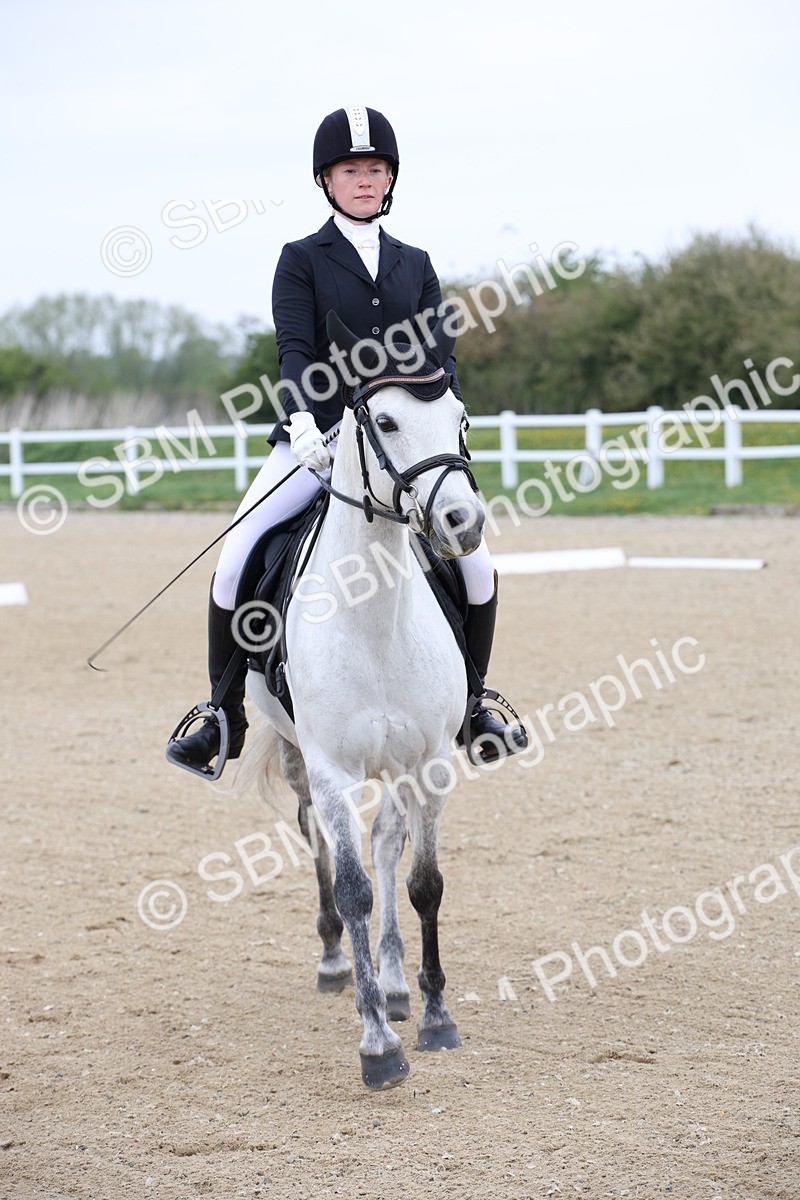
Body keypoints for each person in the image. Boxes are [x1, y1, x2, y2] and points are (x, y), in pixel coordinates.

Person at [167, 105, 527, 775]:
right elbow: (296, 349)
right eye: (350, 170)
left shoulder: (415, 263)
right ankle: (223, 715)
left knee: (476, 564)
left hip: (398, 446)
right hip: (319, 440)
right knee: (235, 556)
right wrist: (302, 419)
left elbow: (437, 355)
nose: (365, 180)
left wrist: (438, 414)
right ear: (326, 180)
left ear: (391, 179)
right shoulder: (301, 259)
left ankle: (475, 706)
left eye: (376, 169)